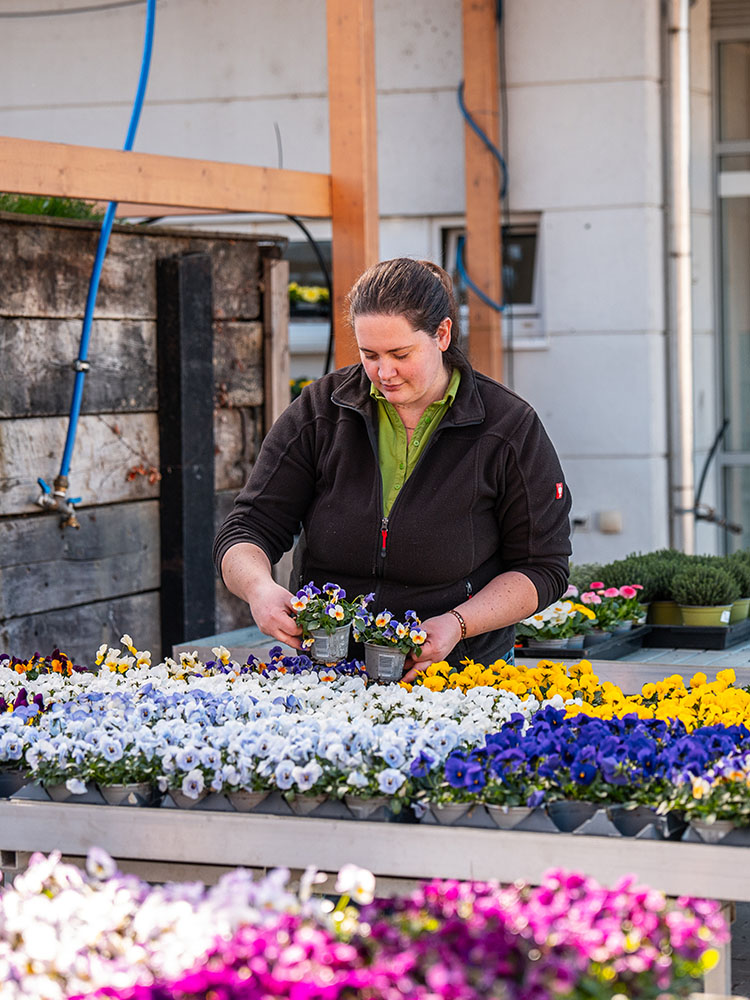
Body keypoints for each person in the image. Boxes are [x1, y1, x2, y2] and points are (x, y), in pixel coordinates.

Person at [213, 257, 571, 682]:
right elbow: (248, 528)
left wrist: (458, 624)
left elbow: (543, 566)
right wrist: (259, 589)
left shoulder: (508, 428)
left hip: (462, 678)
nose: (384, 372)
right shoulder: (321, 412)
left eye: (400, 354)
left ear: (442, 334)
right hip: (329, 673)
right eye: (369, 355)